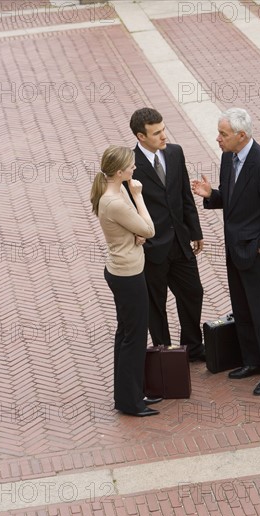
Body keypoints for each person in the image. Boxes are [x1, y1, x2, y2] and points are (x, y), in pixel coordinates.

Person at [192, 108, 260, 395]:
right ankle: (253, 361)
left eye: (223, 134)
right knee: (243, 309)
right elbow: (235, 200)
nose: (218, 139)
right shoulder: (228, 157)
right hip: (235, 251)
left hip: (256, 254)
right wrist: (212, 195)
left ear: (241, 135)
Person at [128, 108, 206, 362]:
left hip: (180, 243)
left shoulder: (175, 153)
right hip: (152, 248)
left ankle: (193, 348)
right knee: (156, 305)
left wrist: (195, 232)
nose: (164, 136)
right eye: (157, 132)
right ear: (141, 136)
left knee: (193, 293)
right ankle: (167, 354)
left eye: (163, 129)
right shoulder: (129, 166)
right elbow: (127, 209)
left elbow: (184, 195)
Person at [91, 145, 162, 416]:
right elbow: (149, 229)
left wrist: (138, 233)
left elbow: (137, 229)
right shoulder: (117, 198)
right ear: (119, 171)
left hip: (121, 271)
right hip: (127, 275)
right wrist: (138, 196)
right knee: (133, 337)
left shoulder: (113, 189)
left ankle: (129, 394)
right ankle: (131, 402)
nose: (135, 168)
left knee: (126, 334)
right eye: (131, 166)